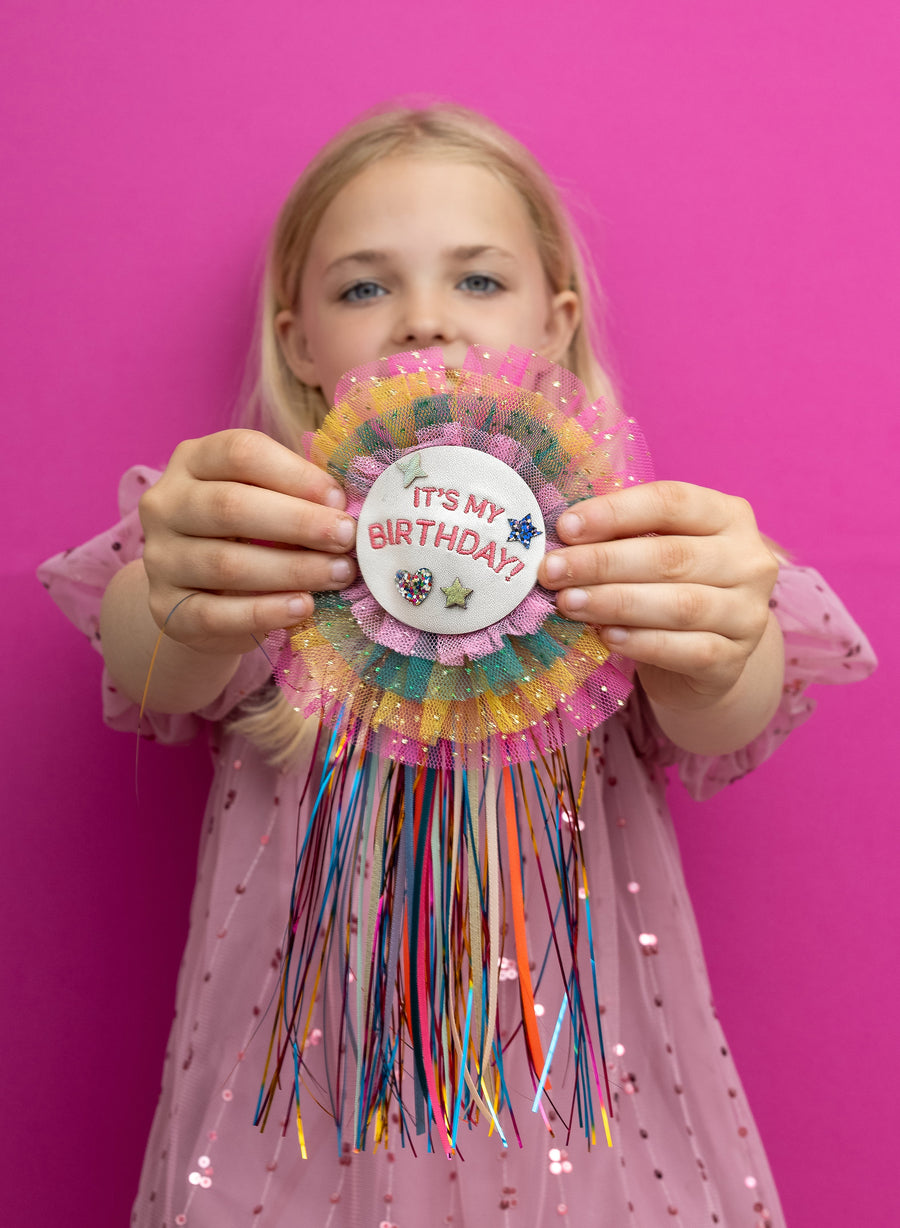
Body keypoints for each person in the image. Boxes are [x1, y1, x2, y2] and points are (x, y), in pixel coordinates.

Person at [39, 103, 875, 1227]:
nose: (422, 317)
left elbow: (728, 704)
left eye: (478, 282)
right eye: (362, 288)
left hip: (583, 1099)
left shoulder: (632, 550)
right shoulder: (260, 536)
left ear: (559, 322)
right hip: (301, 1107)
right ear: (297, 342)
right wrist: (187, 599)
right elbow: (155, 654)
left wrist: (721, 643)